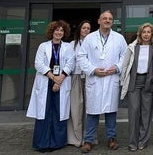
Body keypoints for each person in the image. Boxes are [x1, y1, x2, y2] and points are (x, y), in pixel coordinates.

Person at [78, 10, 127, 153]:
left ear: (112, 22)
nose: (107, 20)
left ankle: (112, 138)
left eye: (110, 19)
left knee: (111, 111)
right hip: (95, 79)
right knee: (92, 111)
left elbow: (125, 56)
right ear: (99, 21)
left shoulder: (119, 38)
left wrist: (117, 68)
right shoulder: (90, 38)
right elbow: (81, 57)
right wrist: (93, 70)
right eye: (104, 18)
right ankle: (88, 140)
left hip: (111, 78)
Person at [27, 20, 74, 152]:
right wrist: (53, 78)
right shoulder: (43, 46)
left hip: (62, 81)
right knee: (44, 112)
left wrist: (59, 80)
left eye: (61, 30)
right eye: (56, 30)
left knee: (59, 112)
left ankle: (57, 143)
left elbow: (71, 63)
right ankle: (42, 143)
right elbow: (39, 64)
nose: (59, 32)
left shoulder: (68, 47)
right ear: (52, 32)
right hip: (46, 81)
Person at [120, 23, 153, 151]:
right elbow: (125, 65)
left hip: (148, 81)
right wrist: (122, 81)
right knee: (134, 112)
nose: (146, 34)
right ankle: (132, 142)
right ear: (139, 34)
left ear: (152, 34)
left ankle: (143, 141)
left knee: (146, 113)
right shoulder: (132, 47)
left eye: (148, 32)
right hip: (134, 82)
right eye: (144, 32)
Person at [67, 20, 92, 148]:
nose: (86, 30)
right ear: (79, 30)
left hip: (89, 78)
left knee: (89, 109)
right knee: (76, 108)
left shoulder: (93, 43)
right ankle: (76, 138)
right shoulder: (72, 44)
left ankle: (89, 138)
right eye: (84, 28)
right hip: (76, 77)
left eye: (88, 28)